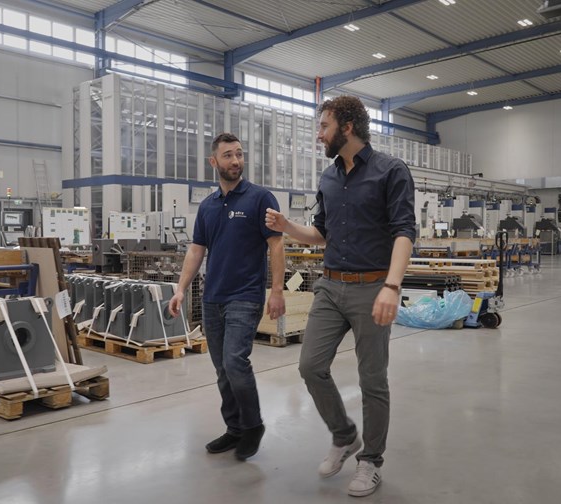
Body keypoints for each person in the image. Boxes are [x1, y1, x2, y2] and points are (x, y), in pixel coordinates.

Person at [265, 96, 415, 497]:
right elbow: (322, 234)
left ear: (347, 126)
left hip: (372, 286)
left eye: (324, 127)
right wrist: (287, 225)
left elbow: (404, 232)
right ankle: (345, 434)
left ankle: (371, 462)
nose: (319, 135)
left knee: (372, 380)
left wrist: (391, 286)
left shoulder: (390, 171)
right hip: (330, 286)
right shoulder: (329, 178)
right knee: (310, 366)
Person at [168, 132, 286, 461]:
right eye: (228, 155)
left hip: (245, 295)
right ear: (214, 162)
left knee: (235, 362)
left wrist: (276, 291)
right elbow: (196, 250)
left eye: (239, 154)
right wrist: (180, 288)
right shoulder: (207, 206)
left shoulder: (261, 198)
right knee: (222, 369)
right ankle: (234, 428)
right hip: (212, 298)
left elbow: (276, 244)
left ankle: (253, 425)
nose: (235, 161)